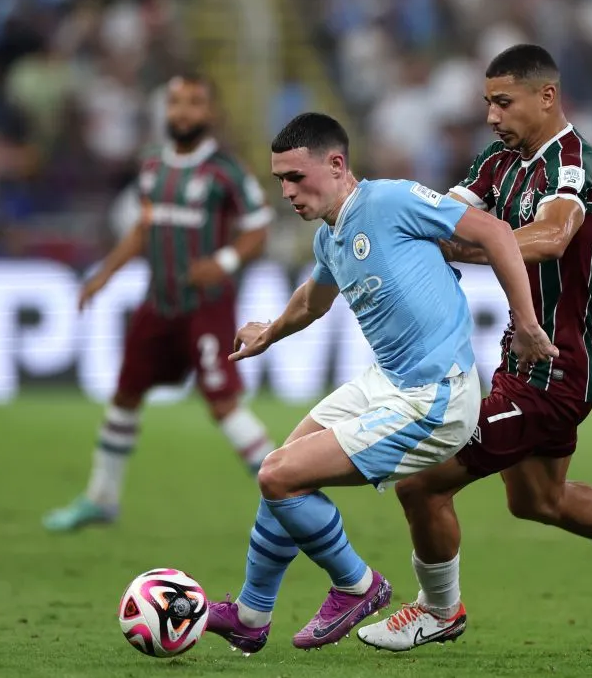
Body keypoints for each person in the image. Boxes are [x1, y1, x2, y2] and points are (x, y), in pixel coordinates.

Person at [357, 44, 592, 651]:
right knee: (537, 499)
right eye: (487, 102)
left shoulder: (574, 162)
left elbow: (550, 236)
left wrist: (470, 247)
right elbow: (442, 215)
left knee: (422, 482)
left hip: (555, 369)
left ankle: (438, 611)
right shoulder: (499, 161)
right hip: (521, 361)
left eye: (502, 102)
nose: (491, 116)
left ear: (546, 97)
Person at [204, 111, 557, 652]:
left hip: (433, 395)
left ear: (337, 164)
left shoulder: (389, 200)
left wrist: (527, 324)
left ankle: (357, 585)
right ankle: (251, 616)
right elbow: (313, 302)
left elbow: (495, 233)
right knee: (284, 466)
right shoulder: (331, 237)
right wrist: (269, 333)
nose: (287, 192)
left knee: (278, 476)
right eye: (280, 181)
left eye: (296, 177)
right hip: (386, 381)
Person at [43, 74, 277, 532]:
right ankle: (101, 498)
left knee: (223, 404)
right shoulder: (152, 165)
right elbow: (144, 228)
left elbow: (258, 229)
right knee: (125, 396)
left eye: (193, 103)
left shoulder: (227, 171)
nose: (183, 112)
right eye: (175, 103)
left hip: (205, 306)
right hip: (159, 303)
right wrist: (104, 274)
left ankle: (290, 493)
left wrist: (224, 260)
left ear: (209, 113)